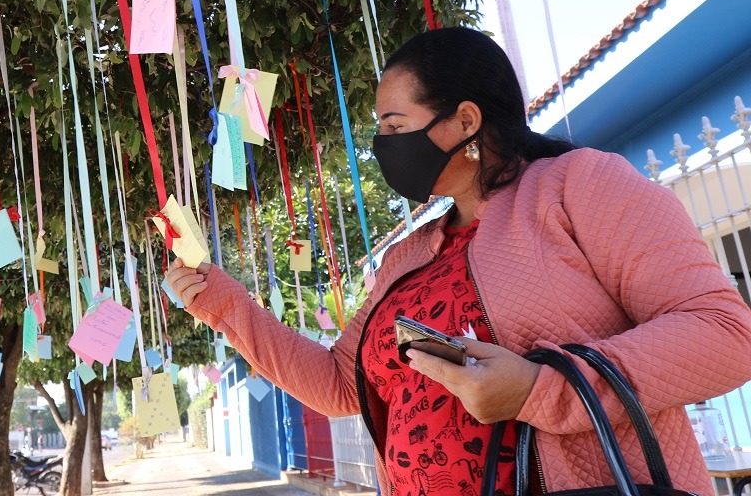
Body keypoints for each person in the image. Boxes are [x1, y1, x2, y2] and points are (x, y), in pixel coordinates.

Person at [166, 27, 751, 495]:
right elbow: (339, 385)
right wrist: (226, 304)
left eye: (394, 126)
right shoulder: (406, 257)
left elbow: (725, 334)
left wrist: (538, 390)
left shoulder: (580, 185)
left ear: (466, 121)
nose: (382, 145)